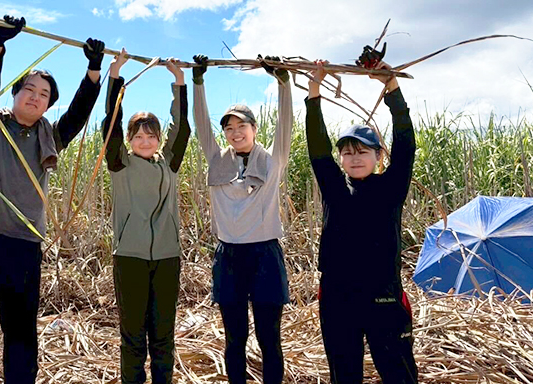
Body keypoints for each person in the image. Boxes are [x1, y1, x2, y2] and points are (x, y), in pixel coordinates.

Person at [0, 15, 105, 384]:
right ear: (15, 93)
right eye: (29, 89)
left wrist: (93, 71)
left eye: (44, 95)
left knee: (21, 336)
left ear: (48, 106)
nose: (36, 97)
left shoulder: (49, 137)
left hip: (24, 247)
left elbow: (78, 114)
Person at [305, 46, 418, 384]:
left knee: (399, 373)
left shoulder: (391, 186)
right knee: (344, 374)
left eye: (363, 151)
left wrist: (391, 86)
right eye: (348, 152)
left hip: (384, 293)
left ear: (378, 156)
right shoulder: (334, 188)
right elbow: (317, 146)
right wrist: (314, 90)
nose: (354, 158)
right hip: (338, 295)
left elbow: (406, 145)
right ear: (340, 158)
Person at [191, 54, 293, 384]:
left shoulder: (273, 160)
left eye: (242, 126)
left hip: (265, 256)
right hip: (229, 257)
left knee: (269, 339)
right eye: (229, 128)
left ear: (254, 129)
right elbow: (201, 124)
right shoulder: (217, 159)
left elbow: (286, 124)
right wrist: (197, 81)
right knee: (234, 339)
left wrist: (283, 83)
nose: (235, 133)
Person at [102, 49, 191, 384]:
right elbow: (110, 124)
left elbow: (182, 130)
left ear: (158, 139)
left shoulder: (169, 164)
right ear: (129, 139)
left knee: (163, 336)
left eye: (150, 136)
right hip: (130, 258)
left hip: (167, 258)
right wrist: (115, 76)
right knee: (133, 337)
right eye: (138, 136)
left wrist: (179, 82)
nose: (144, 141)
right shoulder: (119, 164)